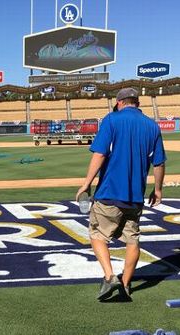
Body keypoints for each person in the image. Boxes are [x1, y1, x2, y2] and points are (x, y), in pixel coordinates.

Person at [75, 87, 166, 301]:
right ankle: (126, 284)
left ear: (119, 103)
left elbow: (100, 153)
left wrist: (86, 184)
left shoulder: (112, 120)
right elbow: (159, 163)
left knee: (97, 235)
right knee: (132, 240)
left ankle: (109, 277)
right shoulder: (152, 126)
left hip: (109, 191)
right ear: (137, 103)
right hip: (135, 196)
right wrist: (159, 189)